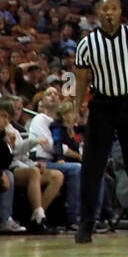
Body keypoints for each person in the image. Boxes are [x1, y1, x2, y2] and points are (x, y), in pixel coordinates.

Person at [72, 0, 128, 244]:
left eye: (113, 8)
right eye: (104, 9)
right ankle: (86, 224)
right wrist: (78, 107)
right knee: (93, 165)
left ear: (120, 11)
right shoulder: (87, 43)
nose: (109, 13)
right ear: (97, 14)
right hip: (101, 105)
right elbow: (80, 78)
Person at [0, 98, 61, 233]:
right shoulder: (6, 133)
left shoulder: (12, 130)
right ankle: (34, 218)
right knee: (32, 172)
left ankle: (38, 216)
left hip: (21, 163)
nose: (6, 120)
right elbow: (13, 155)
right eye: (3, 116)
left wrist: (34, 163)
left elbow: (21, 155)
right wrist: (33, 142)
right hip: (13, 167)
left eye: (8, 117)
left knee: (57, 176)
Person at [27, 86, 81, 228]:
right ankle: (73, 218)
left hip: (55, 161)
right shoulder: (40, 119)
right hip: (41, 162)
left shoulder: (60, 123)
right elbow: (49, 145)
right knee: (76, 168)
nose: (53, 95)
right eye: (48, 94)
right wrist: (74, 154)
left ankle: (95, 215)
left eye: (56, 94)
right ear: (42, 101)